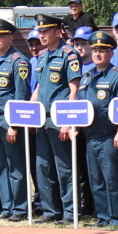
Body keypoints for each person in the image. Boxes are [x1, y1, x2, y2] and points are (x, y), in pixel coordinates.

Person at [75, 29, 118, 226]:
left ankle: (116, 218)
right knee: (96, 180)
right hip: (91, 137)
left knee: (112, 179)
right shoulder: (86, 76)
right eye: (95, 50)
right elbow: (80, 106)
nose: (98, 54)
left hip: (109, 136)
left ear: (111, 53)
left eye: (103, 50)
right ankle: (103, 216)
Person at [0, 18, 34, 221]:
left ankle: (20, 208)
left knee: (15, 165)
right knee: (0, 165)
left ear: (10, 37)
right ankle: (7, 207)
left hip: (8, 121)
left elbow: (21, 96)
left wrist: (14, 124)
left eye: (0, 36)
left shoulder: (19, 61)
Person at [31, 15, 80, 222]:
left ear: (57, 31)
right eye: (40, 32)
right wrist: (30, 112)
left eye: (45, 31)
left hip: (59, 119)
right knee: (43, 166)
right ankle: (51, 211)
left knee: (65, 167)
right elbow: (40, 87)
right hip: (42, 119)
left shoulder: (69, 54)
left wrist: (69, 121)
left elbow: (74, 89)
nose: (41, 35)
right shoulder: (41, 56)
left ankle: (70, 212)